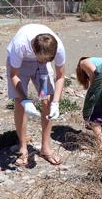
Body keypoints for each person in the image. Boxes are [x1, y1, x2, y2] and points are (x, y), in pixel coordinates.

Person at [7, 24, 66, 167]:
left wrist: (56, 102)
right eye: (42, 58)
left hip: (40, 68)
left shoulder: (57, 48)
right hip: (20, 65)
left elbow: (60, 76)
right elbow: (13, 75)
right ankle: (23, 148)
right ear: (34, 49)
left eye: (48, 60)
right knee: (20, 103)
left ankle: (45, 148)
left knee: (46, 99)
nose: (45, 62)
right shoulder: (20, 45)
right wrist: (25, 100)